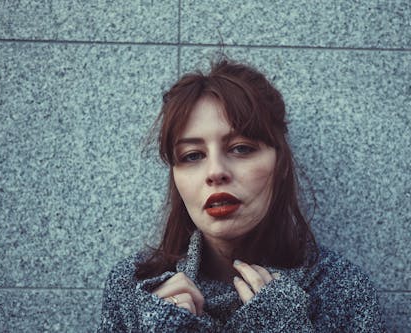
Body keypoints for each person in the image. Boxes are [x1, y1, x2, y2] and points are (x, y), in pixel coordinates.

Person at [98, 58, 385, 332]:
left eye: (241, 148)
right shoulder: (133, 290)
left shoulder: (343, 290)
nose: (215, 172)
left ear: (281, 164)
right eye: (192, 155)